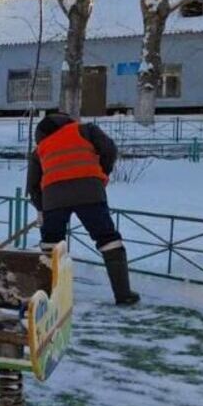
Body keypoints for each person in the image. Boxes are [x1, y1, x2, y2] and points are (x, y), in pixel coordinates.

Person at [27, 112, 140, 306]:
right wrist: (100, 174)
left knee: (51, 244)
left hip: (54, 198)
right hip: (90, 192)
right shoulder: (85, 130)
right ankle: (124, 294)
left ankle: (49, 297)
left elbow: (33, 186)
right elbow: (109, 149)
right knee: (108, 239)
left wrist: (41, 209)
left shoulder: (40, 149)